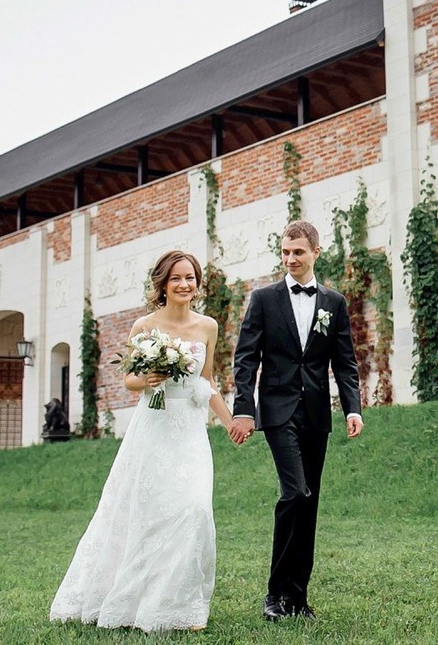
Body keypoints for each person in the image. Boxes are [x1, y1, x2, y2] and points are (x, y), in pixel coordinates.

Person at [51, 250, 236, 633]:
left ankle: (181, 604)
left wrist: (230, 421)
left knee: (195, 509)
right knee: (148, 514)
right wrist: (148, 378)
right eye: (177, 279)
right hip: (153, 427)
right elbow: (129, 380)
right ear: (163, 285)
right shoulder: (144, 325)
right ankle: (140, 601)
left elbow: (207, 381)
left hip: (189, 432)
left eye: (191, 278)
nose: (185, 285)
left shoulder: (208, 326)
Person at [227, 220, 364, 621]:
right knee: (295, 493)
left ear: (316, 253)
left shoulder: (334, 303)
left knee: (310, 502)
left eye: (298, 252)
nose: (290, 259)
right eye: (285, 252)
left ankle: (298, 599)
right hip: (278, 411)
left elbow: (345, 361)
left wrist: (352, 407)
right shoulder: (264, 299)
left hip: (317, 414)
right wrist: (244, 408)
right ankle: (274, 595)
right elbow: (245, 358)